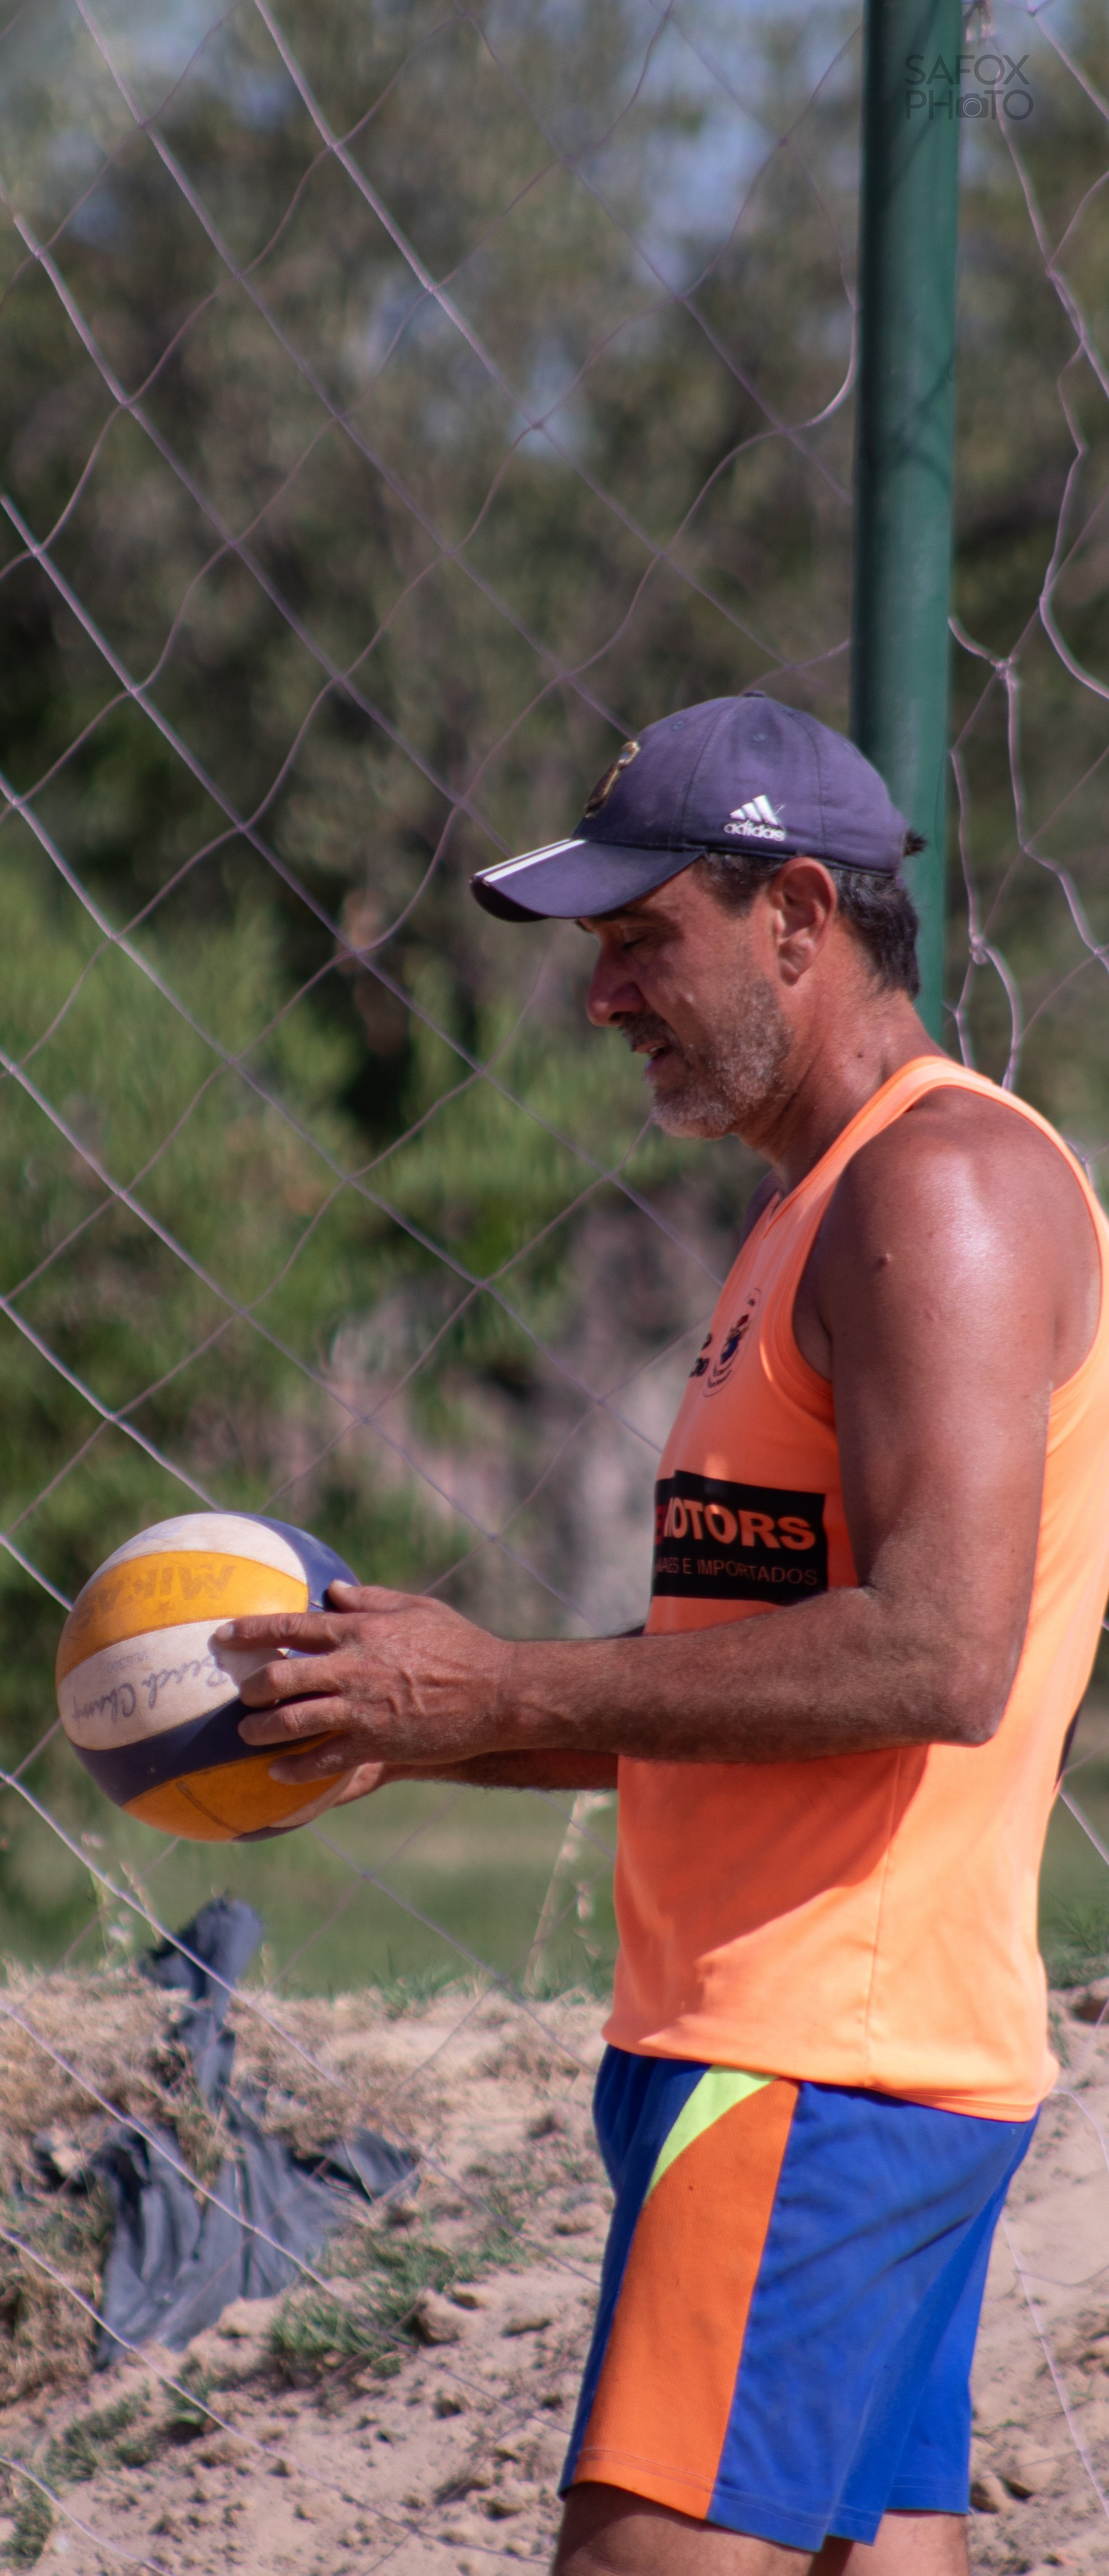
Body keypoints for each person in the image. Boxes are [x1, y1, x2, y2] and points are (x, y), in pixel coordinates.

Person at [216, 692, 1109, 2575]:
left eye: (641, 941)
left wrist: (503, 1680)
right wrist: (437, 1721)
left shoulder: (933, 1191)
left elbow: (939, 1656)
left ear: (798, 910)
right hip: (831, 2067)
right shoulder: (818, 1207)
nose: (603, 997)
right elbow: (754, 1664)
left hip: (812, 2070)